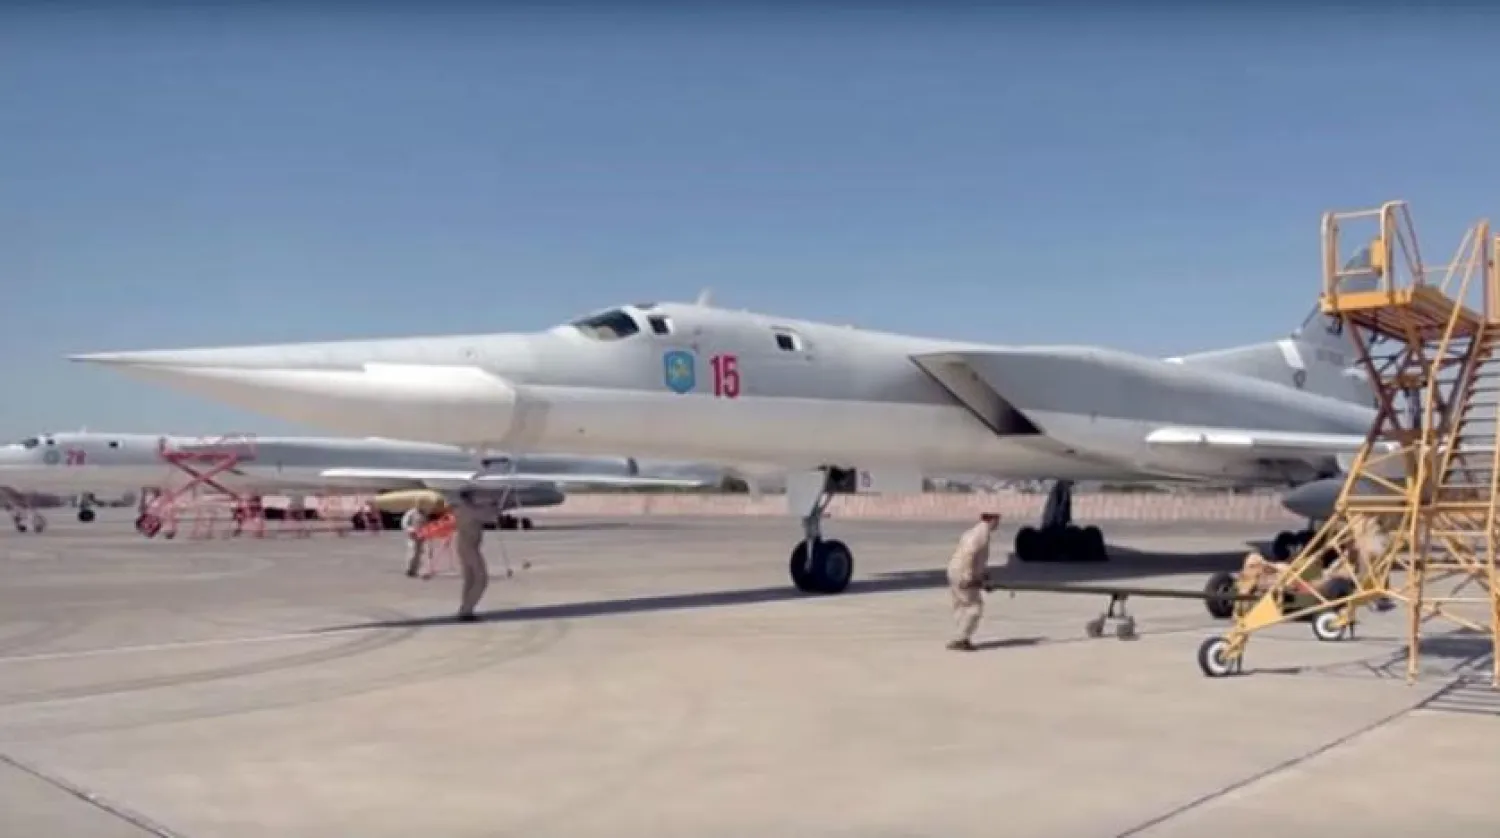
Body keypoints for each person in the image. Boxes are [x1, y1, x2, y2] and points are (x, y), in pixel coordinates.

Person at [946, 512, 1001, 651]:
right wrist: (968, 577)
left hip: (955, 570)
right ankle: (961, 639)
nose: (998, 523)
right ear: (992, 519)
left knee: (960, 605)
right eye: (997, 520)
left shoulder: (975, 531)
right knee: (974, 607)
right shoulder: (980, 534)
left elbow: (978, 560)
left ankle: (960, 636)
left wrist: (985, 577)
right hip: (962, 572)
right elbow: (969, 555)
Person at [452, 489, 492, 621]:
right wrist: (495, 506)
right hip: (469, 547)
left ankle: (466, 609)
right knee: (481, 579)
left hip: (465, 545)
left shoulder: (462, 508)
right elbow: (491, 517)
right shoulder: (468, 509)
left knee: (470, 579)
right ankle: (466, 610)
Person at [401, 505, 429, 578]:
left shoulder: (425, 513)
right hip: (413, 535)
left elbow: (427, 524)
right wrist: (409, 530)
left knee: (420, 554)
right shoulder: (411, 513)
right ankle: (409, 569)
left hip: (422, 535)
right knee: (412, 552)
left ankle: (416, 570)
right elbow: (404, 522)